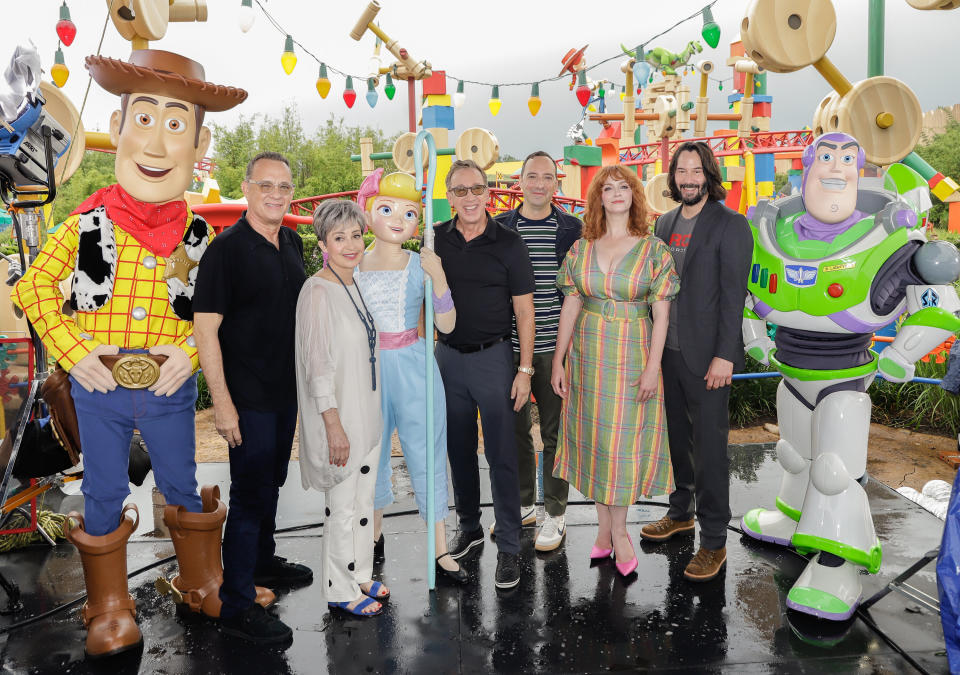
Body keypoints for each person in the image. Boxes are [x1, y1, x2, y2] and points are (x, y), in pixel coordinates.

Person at [12, 50, 248, 657]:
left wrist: (187, 358)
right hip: (100, 391)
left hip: (167, 391)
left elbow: (212, 314)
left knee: (182, 481)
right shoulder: (84, 225)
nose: (158, 142)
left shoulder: (198, 237)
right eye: (143, 119)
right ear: (116, 129)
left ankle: (201, 581)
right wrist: (75, 348)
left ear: (200, 143)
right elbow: (34, 286)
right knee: (101, 489)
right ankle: (109, 606)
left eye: (177, 125)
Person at [741, 132, 960, 618]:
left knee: (834, 472)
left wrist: (905, 351)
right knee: (796, 457)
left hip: (845, 376)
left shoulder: (891, 240)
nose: (835, 167)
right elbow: (743, 288)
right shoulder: (774, 231)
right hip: (792, 370)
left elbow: (938, 301)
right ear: (806, 170)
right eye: (824, 157)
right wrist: (753, 330)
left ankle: (840, 562)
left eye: (846, 158)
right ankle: (794, 517)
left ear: (859, 173)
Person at [193, 151, 312, 643]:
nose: (276, 194)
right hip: (246, 398)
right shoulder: (226, 249)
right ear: (247, 187)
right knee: (248, 494)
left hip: (286, 393)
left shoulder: (292, 241)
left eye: (284, 186)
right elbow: (205, 330)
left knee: (272, 482)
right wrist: (221, 402)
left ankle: (263, 564)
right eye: (266, 185)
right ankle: (238, 602)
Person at [551, 165, 679, 577]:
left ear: (635, 195)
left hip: (632, 354)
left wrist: (652, 368)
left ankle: (620, 532)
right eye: (608, 188)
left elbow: (661, 317)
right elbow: (571, 304)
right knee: (595, 442)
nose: (617, 193)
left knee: (622, 447)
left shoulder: (653, 249)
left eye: (624, 187)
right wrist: (559, 359)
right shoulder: (582, 246)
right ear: (599, 199)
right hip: (588, 357)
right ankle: (604, 532)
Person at [640, 141, 753, 583]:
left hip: (709, 357)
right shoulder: (664, 224)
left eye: (696, 171)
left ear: (709, 175)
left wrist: (725, 355)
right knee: (676, 440)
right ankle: (680, 512)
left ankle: (713, 541)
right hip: (667, 353)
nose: (688, 178)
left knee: (709, 449)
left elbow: (733, 297)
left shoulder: (731, 225)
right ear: (673, 178)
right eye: (681, 171)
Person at [355, 169, 467, 584]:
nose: (399, 220)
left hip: (414, 366)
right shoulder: (353, 264)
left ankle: (439, 548)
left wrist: (438, 278)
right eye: (387, 209)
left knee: (426, 449)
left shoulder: (421, 265)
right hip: (368, 370)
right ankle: (374, 533)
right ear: (368, 214)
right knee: (371, 451)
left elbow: (448, 325)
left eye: (409, 213)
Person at [433, 159, 536, 590]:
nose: (470, 197)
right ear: (449, 195)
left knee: (502, 455)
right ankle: (471, 526)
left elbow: (525, 311)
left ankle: (509, 545)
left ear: (488, 192)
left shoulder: (508, 243)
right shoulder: (435, 239)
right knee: (457, 450)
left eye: (477, 189)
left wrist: (525, 370)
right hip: (448, 360)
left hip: (494, 358)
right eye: (460, 190)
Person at [296, 199, 389, 617]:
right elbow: (318, 367)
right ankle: (338, 587)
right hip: (340, 420)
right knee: (342, 507)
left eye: (356, 234)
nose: (351, 244)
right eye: (339, 238)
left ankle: (361, 573)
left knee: (363, 504)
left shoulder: (354, 282)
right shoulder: (318, 291)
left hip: (366, 414)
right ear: (322, 244)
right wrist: (333, 426)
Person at [493, 151, 581, 552]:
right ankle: (525, 503)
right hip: (508, 348)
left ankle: (556, 512)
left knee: (554, 433)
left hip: (555, 348)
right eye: (532, 176)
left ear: (556, 182)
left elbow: (578, 290)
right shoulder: (500, 228)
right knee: (515, 433)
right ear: (520, 181)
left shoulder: (572, 229)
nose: (540, 184)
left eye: (548, 177)